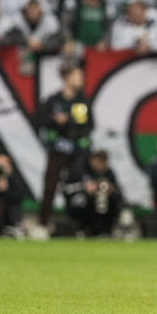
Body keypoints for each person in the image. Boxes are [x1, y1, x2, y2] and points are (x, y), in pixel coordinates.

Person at [38, 61, 93, 229]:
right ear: (66, 78)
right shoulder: (53, 100)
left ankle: (79, 224)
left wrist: (70, 123)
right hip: (57, 150)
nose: (81, 80)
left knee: (78, 185)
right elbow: (41, 121)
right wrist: (55, 121)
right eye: (78, 76)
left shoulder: (82, 102)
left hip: (77, 152)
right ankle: (43, 223)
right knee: (50, 187)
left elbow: (89, 125)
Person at [63, 149, 123, 236]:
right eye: (99, 162)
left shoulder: (108, 172)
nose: (102, 166)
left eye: (104, 163)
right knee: (84, 200)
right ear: (92, 160)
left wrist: (110, 188)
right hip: (81, 203)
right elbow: (66, 189)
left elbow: (118, 191)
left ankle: (105, 231)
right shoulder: (79, 170)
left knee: (112, 199)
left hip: (101, 205)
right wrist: (84, 187)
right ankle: (83, 229)